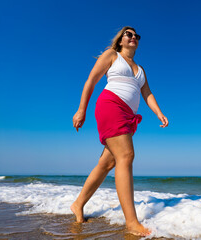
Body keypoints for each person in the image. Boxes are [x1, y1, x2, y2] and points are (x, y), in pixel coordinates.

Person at [71, 26, 169, 237]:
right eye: (129, 34)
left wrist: (159, 113)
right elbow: (91, 81)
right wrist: (81, 110)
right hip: (110, 105)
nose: (133, 37)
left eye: (136, 36)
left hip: (128, 116)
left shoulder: (141, 69)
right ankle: (132, 222)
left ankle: (78, 204)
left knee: (108, 162)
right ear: (120, 40)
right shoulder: (112, 55)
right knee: (126, 155)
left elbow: (147, 93)